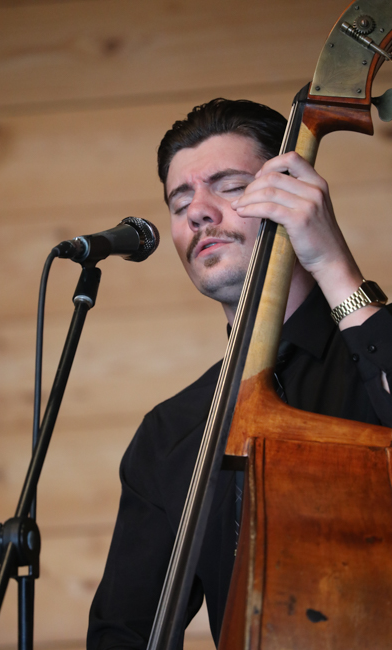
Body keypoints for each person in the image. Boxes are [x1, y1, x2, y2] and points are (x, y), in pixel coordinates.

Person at [87, 99, 392, 649]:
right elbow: (121, 633)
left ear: (294, 195)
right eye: (181, 202)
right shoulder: (171, 432)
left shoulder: (376, 350)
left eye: (229, 187)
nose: (197, 213)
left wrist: (332, 265)